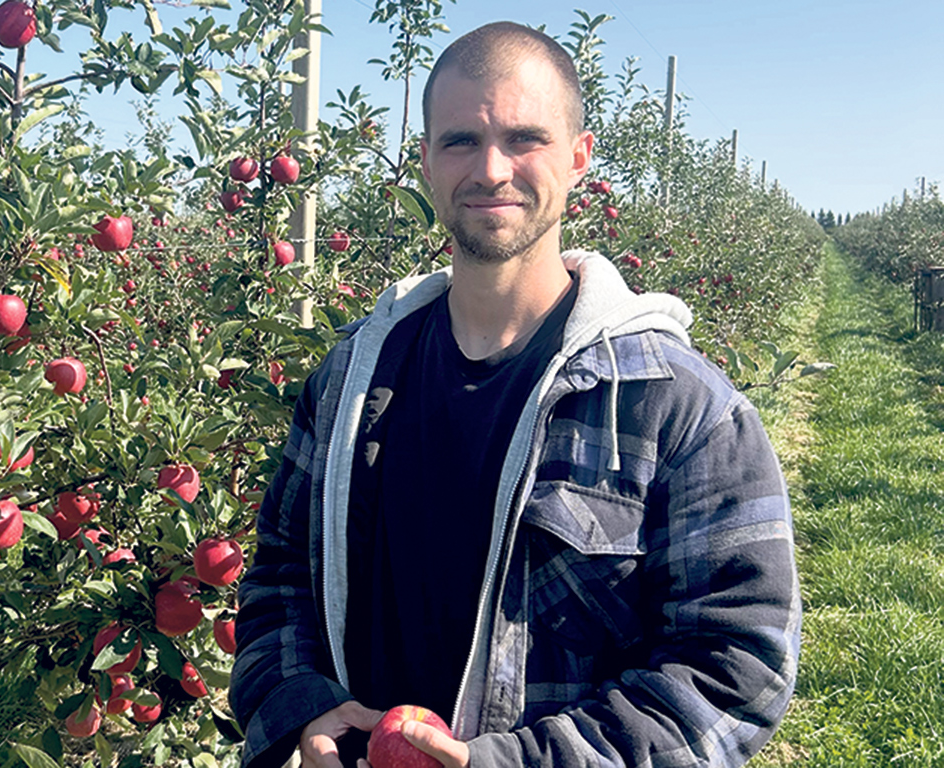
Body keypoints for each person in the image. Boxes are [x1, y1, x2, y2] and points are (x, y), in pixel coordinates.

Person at [228, 20, 801, 768]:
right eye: (461, 140)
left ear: (578, 158)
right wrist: (300, 705)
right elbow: (278, 576)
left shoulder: (677, 405)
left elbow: (737, 666)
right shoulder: (349, 379)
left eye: (525, 138)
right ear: (426, 162)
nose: (492, 169)